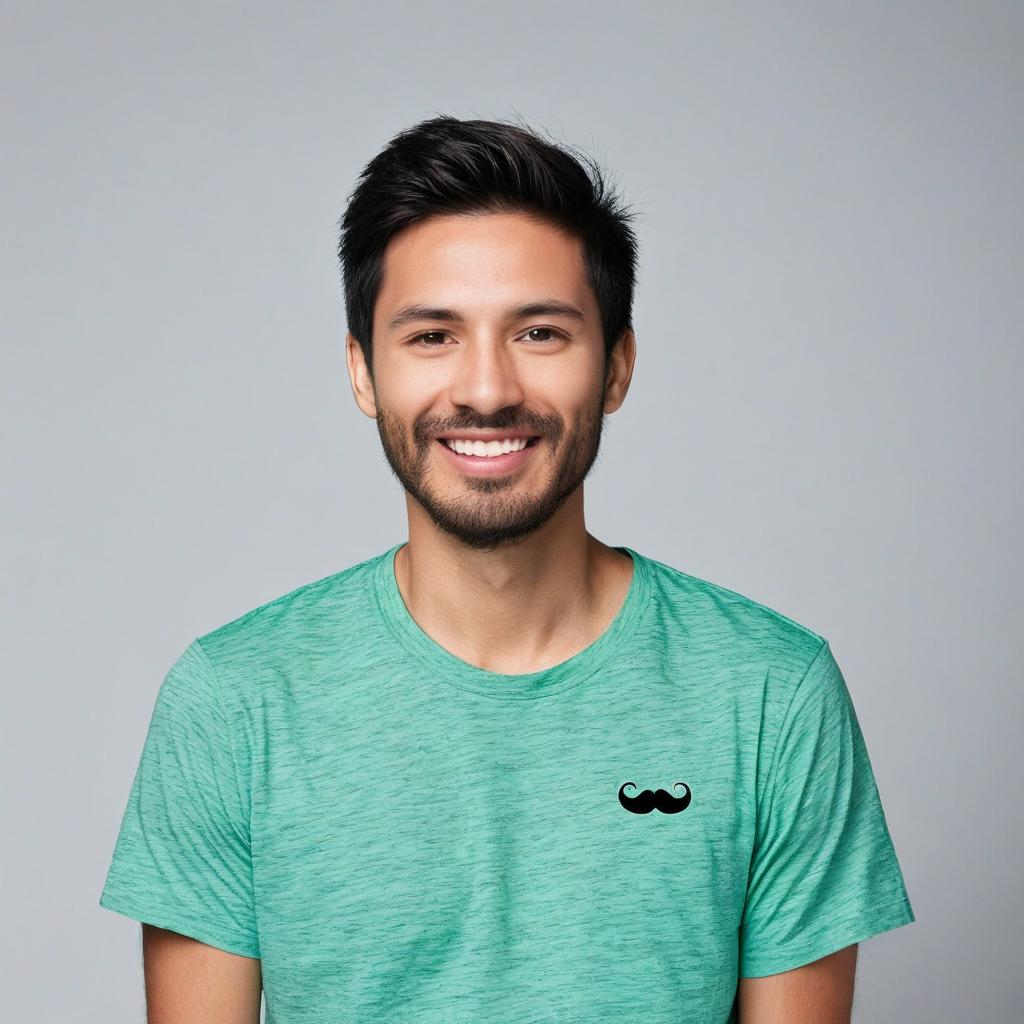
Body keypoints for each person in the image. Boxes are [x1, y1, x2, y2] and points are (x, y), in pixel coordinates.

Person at [99, 115, 915, 1023]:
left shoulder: (770, 694)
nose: (487, 390)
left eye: (539, 333)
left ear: (617, 366)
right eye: (432, 336)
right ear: (363, 373)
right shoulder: (233, 701)